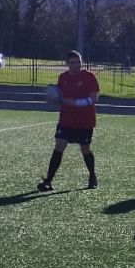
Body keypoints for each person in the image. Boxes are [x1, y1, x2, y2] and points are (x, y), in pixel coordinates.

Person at [37, 50, 100, 191]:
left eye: (79, 62)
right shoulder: (63, 77)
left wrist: (75, 103)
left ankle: (92, 177)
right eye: (73, 62)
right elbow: (60, 97)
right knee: (59, 146)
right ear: (67, 64)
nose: (77, 65)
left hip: (85, 120)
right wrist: (53, 99)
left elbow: (94, 98)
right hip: (66, 119)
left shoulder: (89, 77)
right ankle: (48, 181)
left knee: (85, 149)